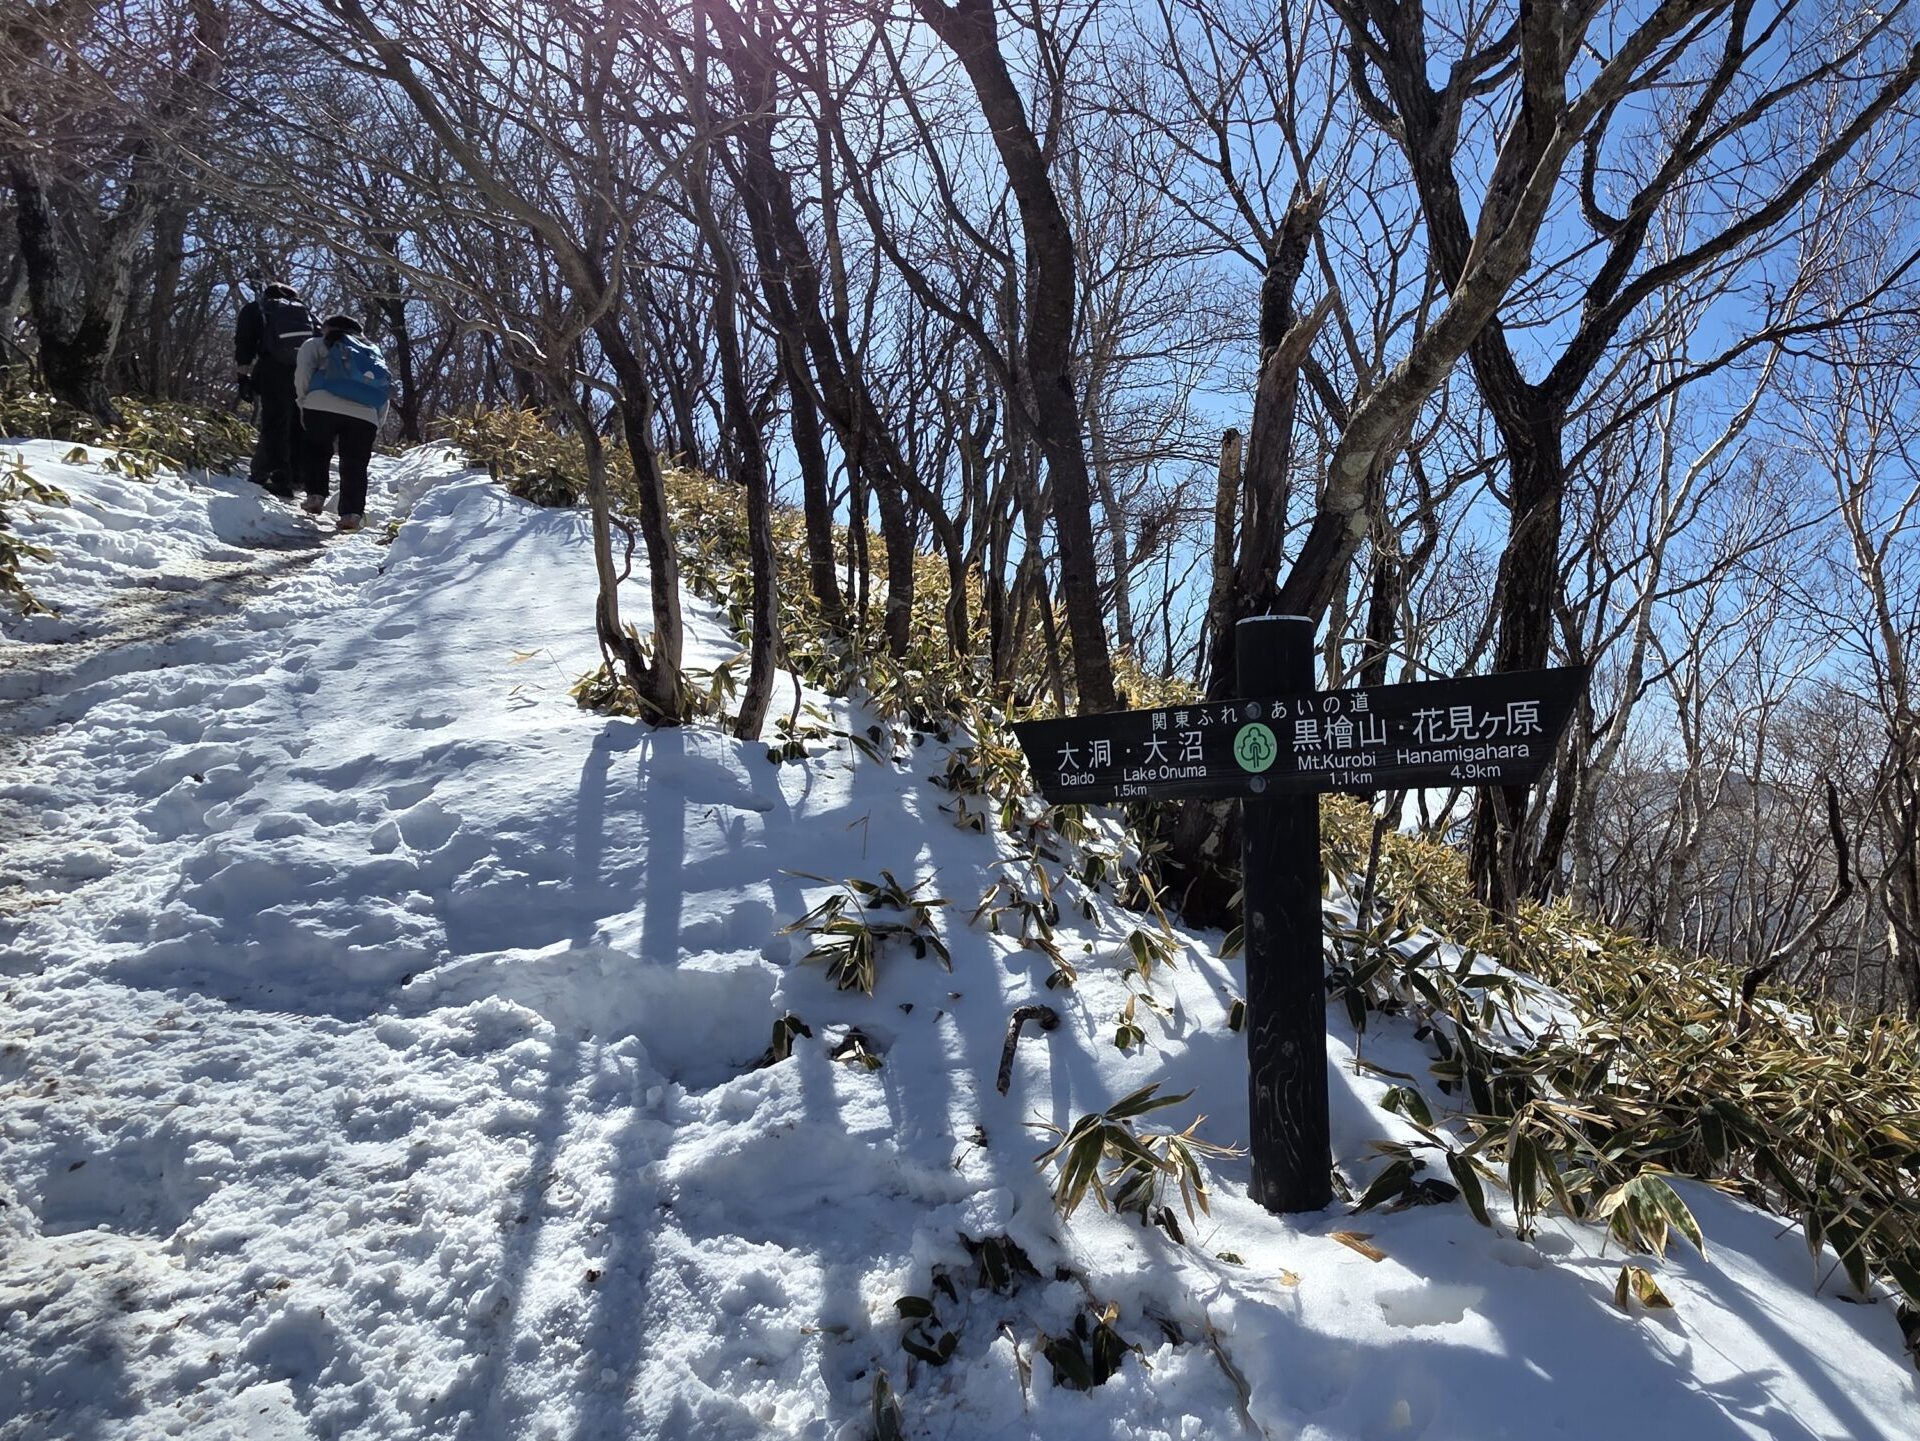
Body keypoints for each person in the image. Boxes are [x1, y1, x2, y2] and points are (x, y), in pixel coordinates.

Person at [293, 314, 390, 534]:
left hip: (320, 404)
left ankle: (315, 497)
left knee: (317, 451)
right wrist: (377, 421)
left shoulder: (316, 344)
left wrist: (303, 400)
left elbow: (303, 374)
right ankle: (351, 515)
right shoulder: (372, 352)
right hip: (365, 414)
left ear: (329, 328)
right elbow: (383, 390)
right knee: (355, 465)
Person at [234, 281, 316, 497]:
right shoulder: (305, 312)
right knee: (298, 423)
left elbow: (244, 342)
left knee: (274, 422)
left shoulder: (257, 308)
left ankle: (276, 475)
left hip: (273, 369)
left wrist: (243, 376)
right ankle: (298, 474)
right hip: (305, 373)